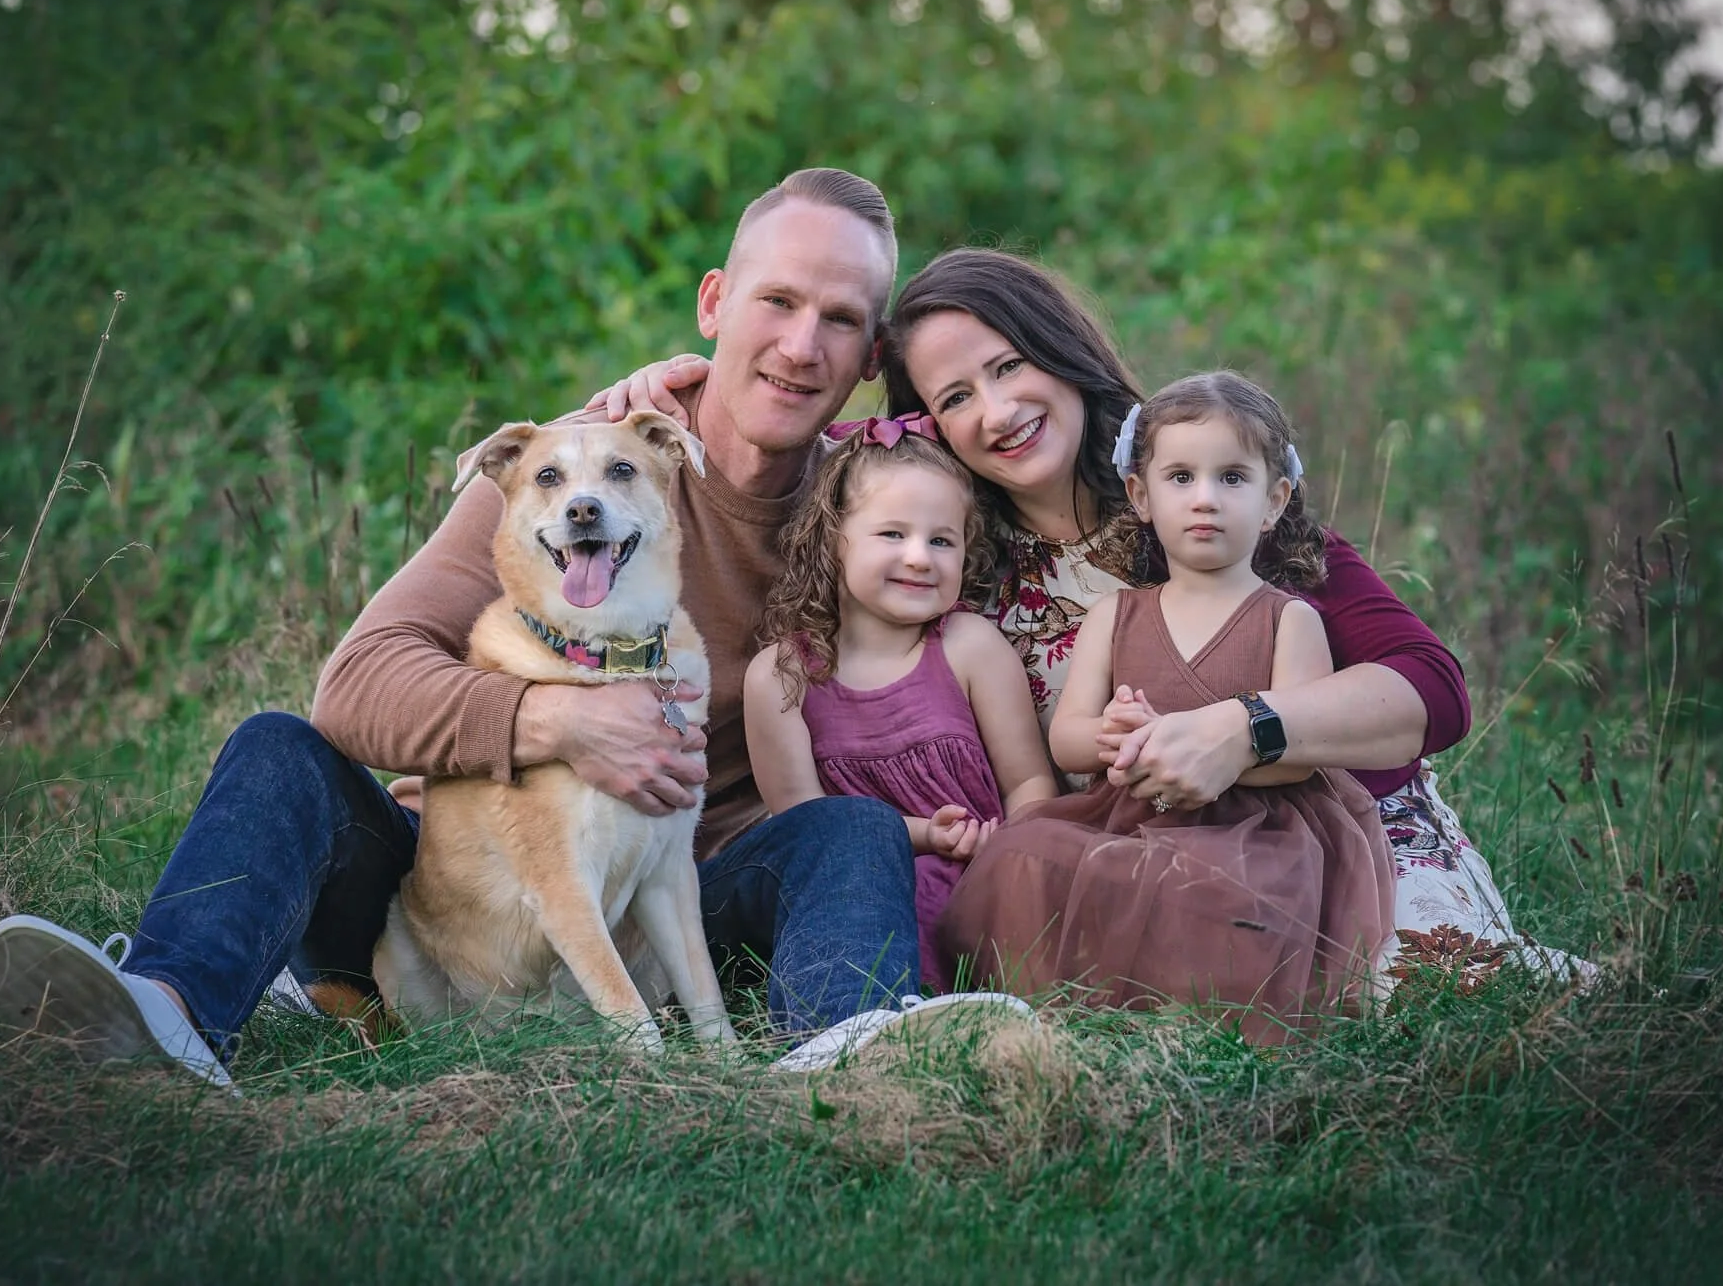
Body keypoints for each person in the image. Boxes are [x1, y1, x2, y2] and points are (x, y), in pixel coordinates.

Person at [0, 168, 1014, 1086]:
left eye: (838, 319)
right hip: (460, 898)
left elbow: (1041, 499)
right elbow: (359, 684)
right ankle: (165, 1009)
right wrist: (554, 722)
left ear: (871, 353)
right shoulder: (568, 478)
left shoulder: (869, 511)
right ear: (713, 301)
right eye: (775, 300)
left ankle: (836, 1051)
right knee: (277, 749)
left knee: (847, 832)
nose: (799, 345)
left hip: (676, 900)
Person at [598, 247, 1591, 989]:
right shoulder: (947, 551)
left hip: (1337, 826)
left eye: (1005, 367)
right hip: (1132, 857)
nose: (992, 413)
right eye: (953, 398)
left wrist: (1241, 729)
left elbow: (1431, 690)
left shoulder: (1194, 492)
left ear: (1060, 352)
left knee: (1429, 995)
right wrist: (679, 388)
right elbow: (774, 426)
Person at [938, 372, 1395, 1036]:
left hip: (1255, 825)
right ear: (1141, 495)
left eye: (1232, 478)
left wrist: (1214, 754)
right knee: (1024, 854)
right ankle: (1050, 1020)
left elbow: (1298, 756)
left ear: (1274, 500)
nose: (1205, 498)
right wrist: (1115, 736)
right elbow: (1067, 739)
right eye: (1180, 477)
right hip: (1130, 812)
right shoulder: (1117, 614)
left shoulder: (1287, 619)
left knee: (1213, 883)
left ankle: (1200, 1020)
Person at [742, 418, 1057, 990]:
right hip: (851, 894)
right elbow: (806, 829)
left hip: (980, 873)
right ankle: (871, 1018)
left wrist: (1013, 859)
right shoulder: (781, 677)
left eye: (942, 540)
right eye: (892, 534)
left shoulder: (970, 648)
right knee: (862, 904)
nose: (919, 558)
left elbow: (1028, 783)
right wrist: (924, 835)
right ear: (834, 538)